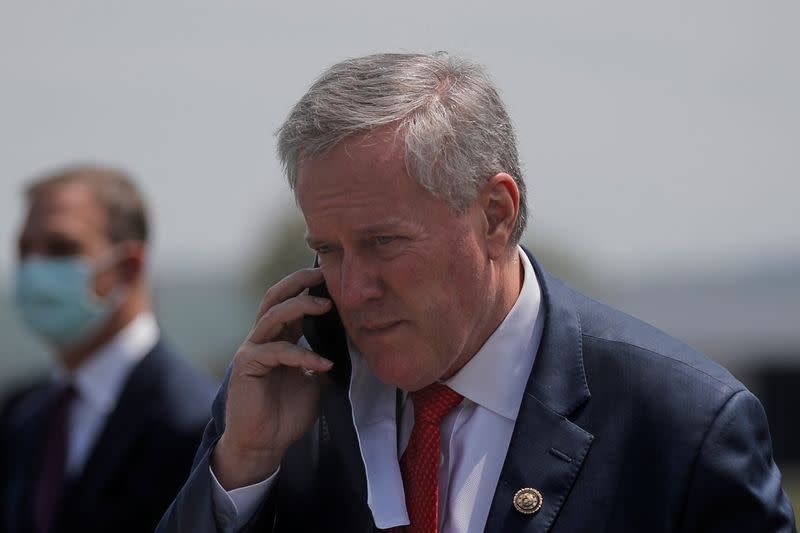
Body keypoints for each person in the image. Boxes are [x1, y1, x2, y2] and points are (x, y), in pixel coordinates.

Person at [158, 53, 797, 532]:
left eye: (383, 243)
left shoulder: (683, 426)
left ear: (494, 213)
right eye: (326, 250)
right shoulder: (280, 403)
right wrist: (240, 468)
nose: (352, 289)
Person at [0, 165, 218, 533]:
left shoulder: (196, 421)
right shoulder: (22, 413)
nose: (35, 268)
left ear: (129, 267)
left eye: (61, 249)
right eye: (24, 250)